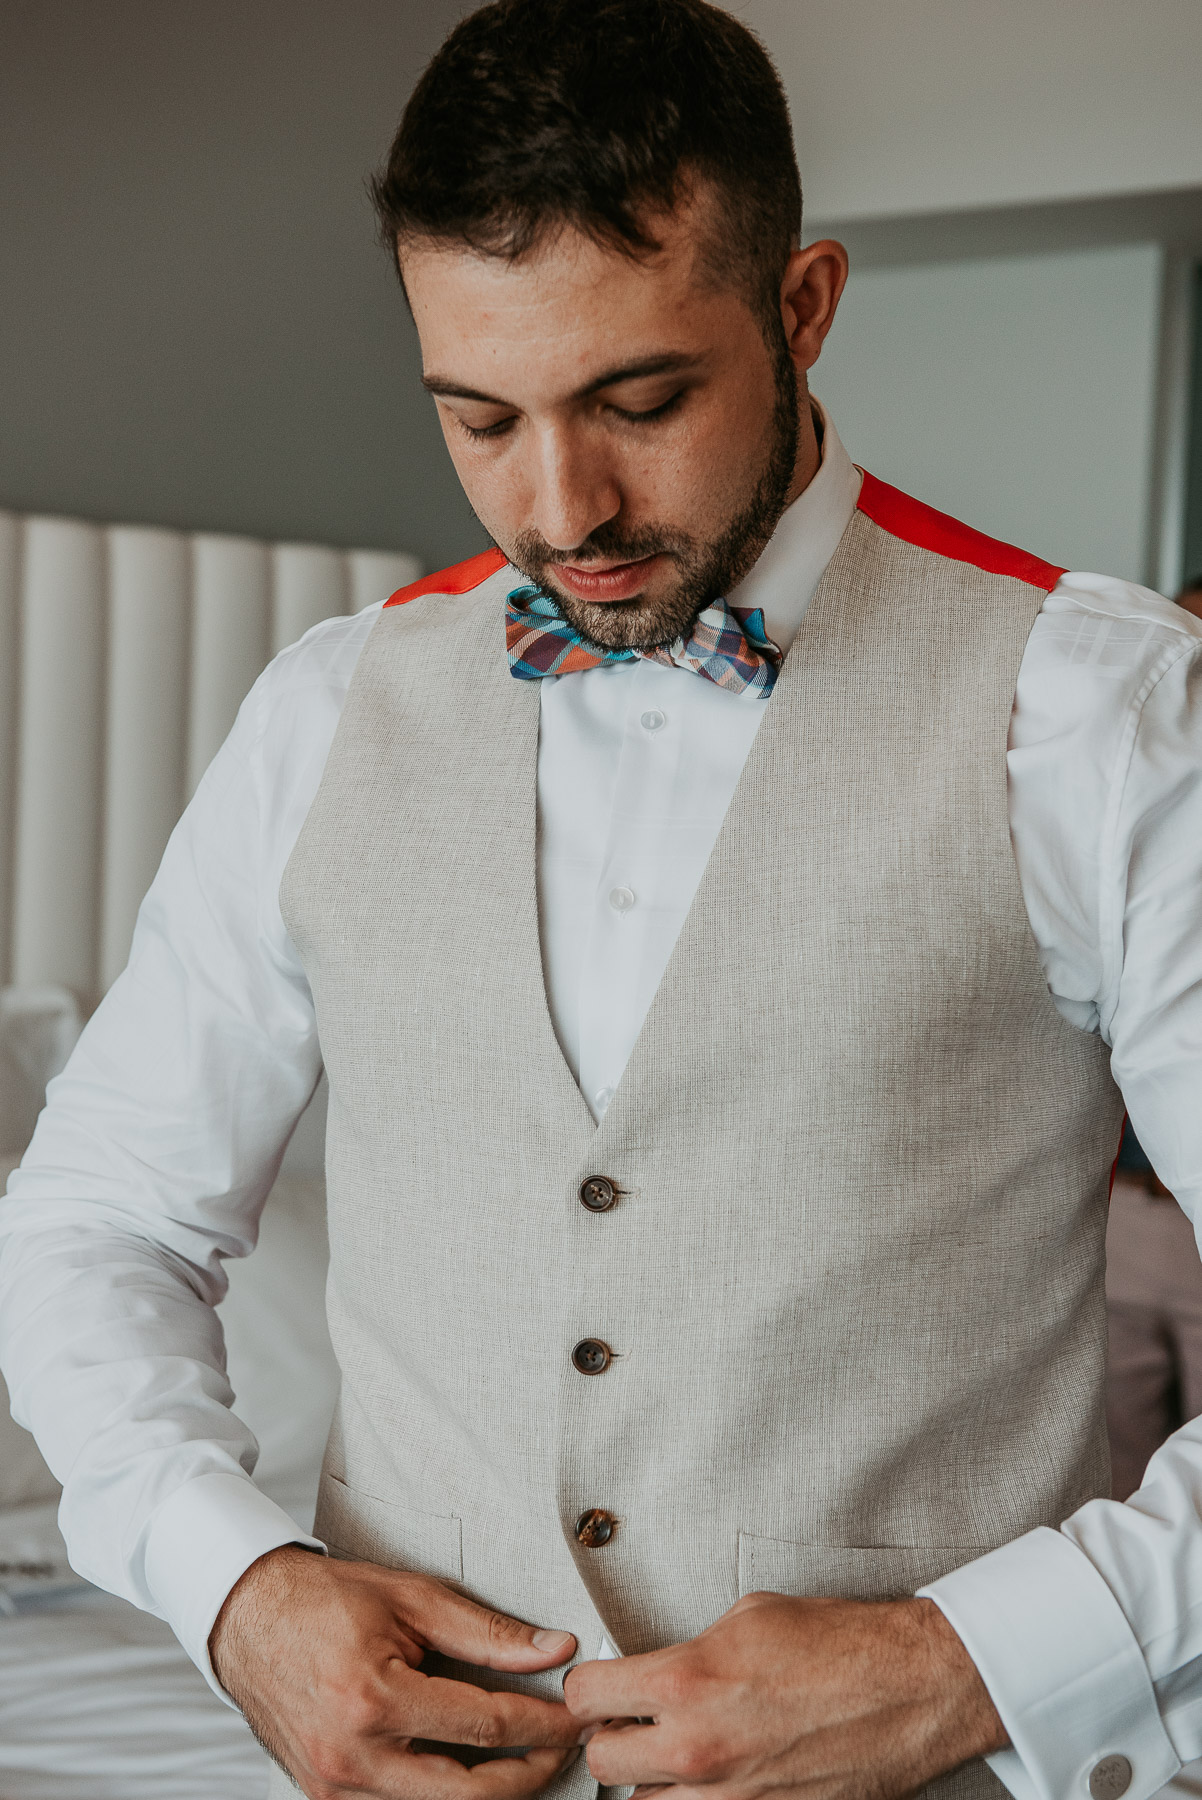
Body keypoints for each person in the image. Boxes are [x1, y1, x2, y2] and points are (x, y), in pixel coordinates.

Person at [1, 3, 1200, 1798]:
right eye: (477, 418)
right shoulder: (327, 711)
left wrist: (970, 1663)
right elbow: (100, 1218)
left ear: (799, 311)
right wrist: (231, 1581)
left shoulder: (1097, 705)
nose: (559, 508)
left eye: (639, 400)